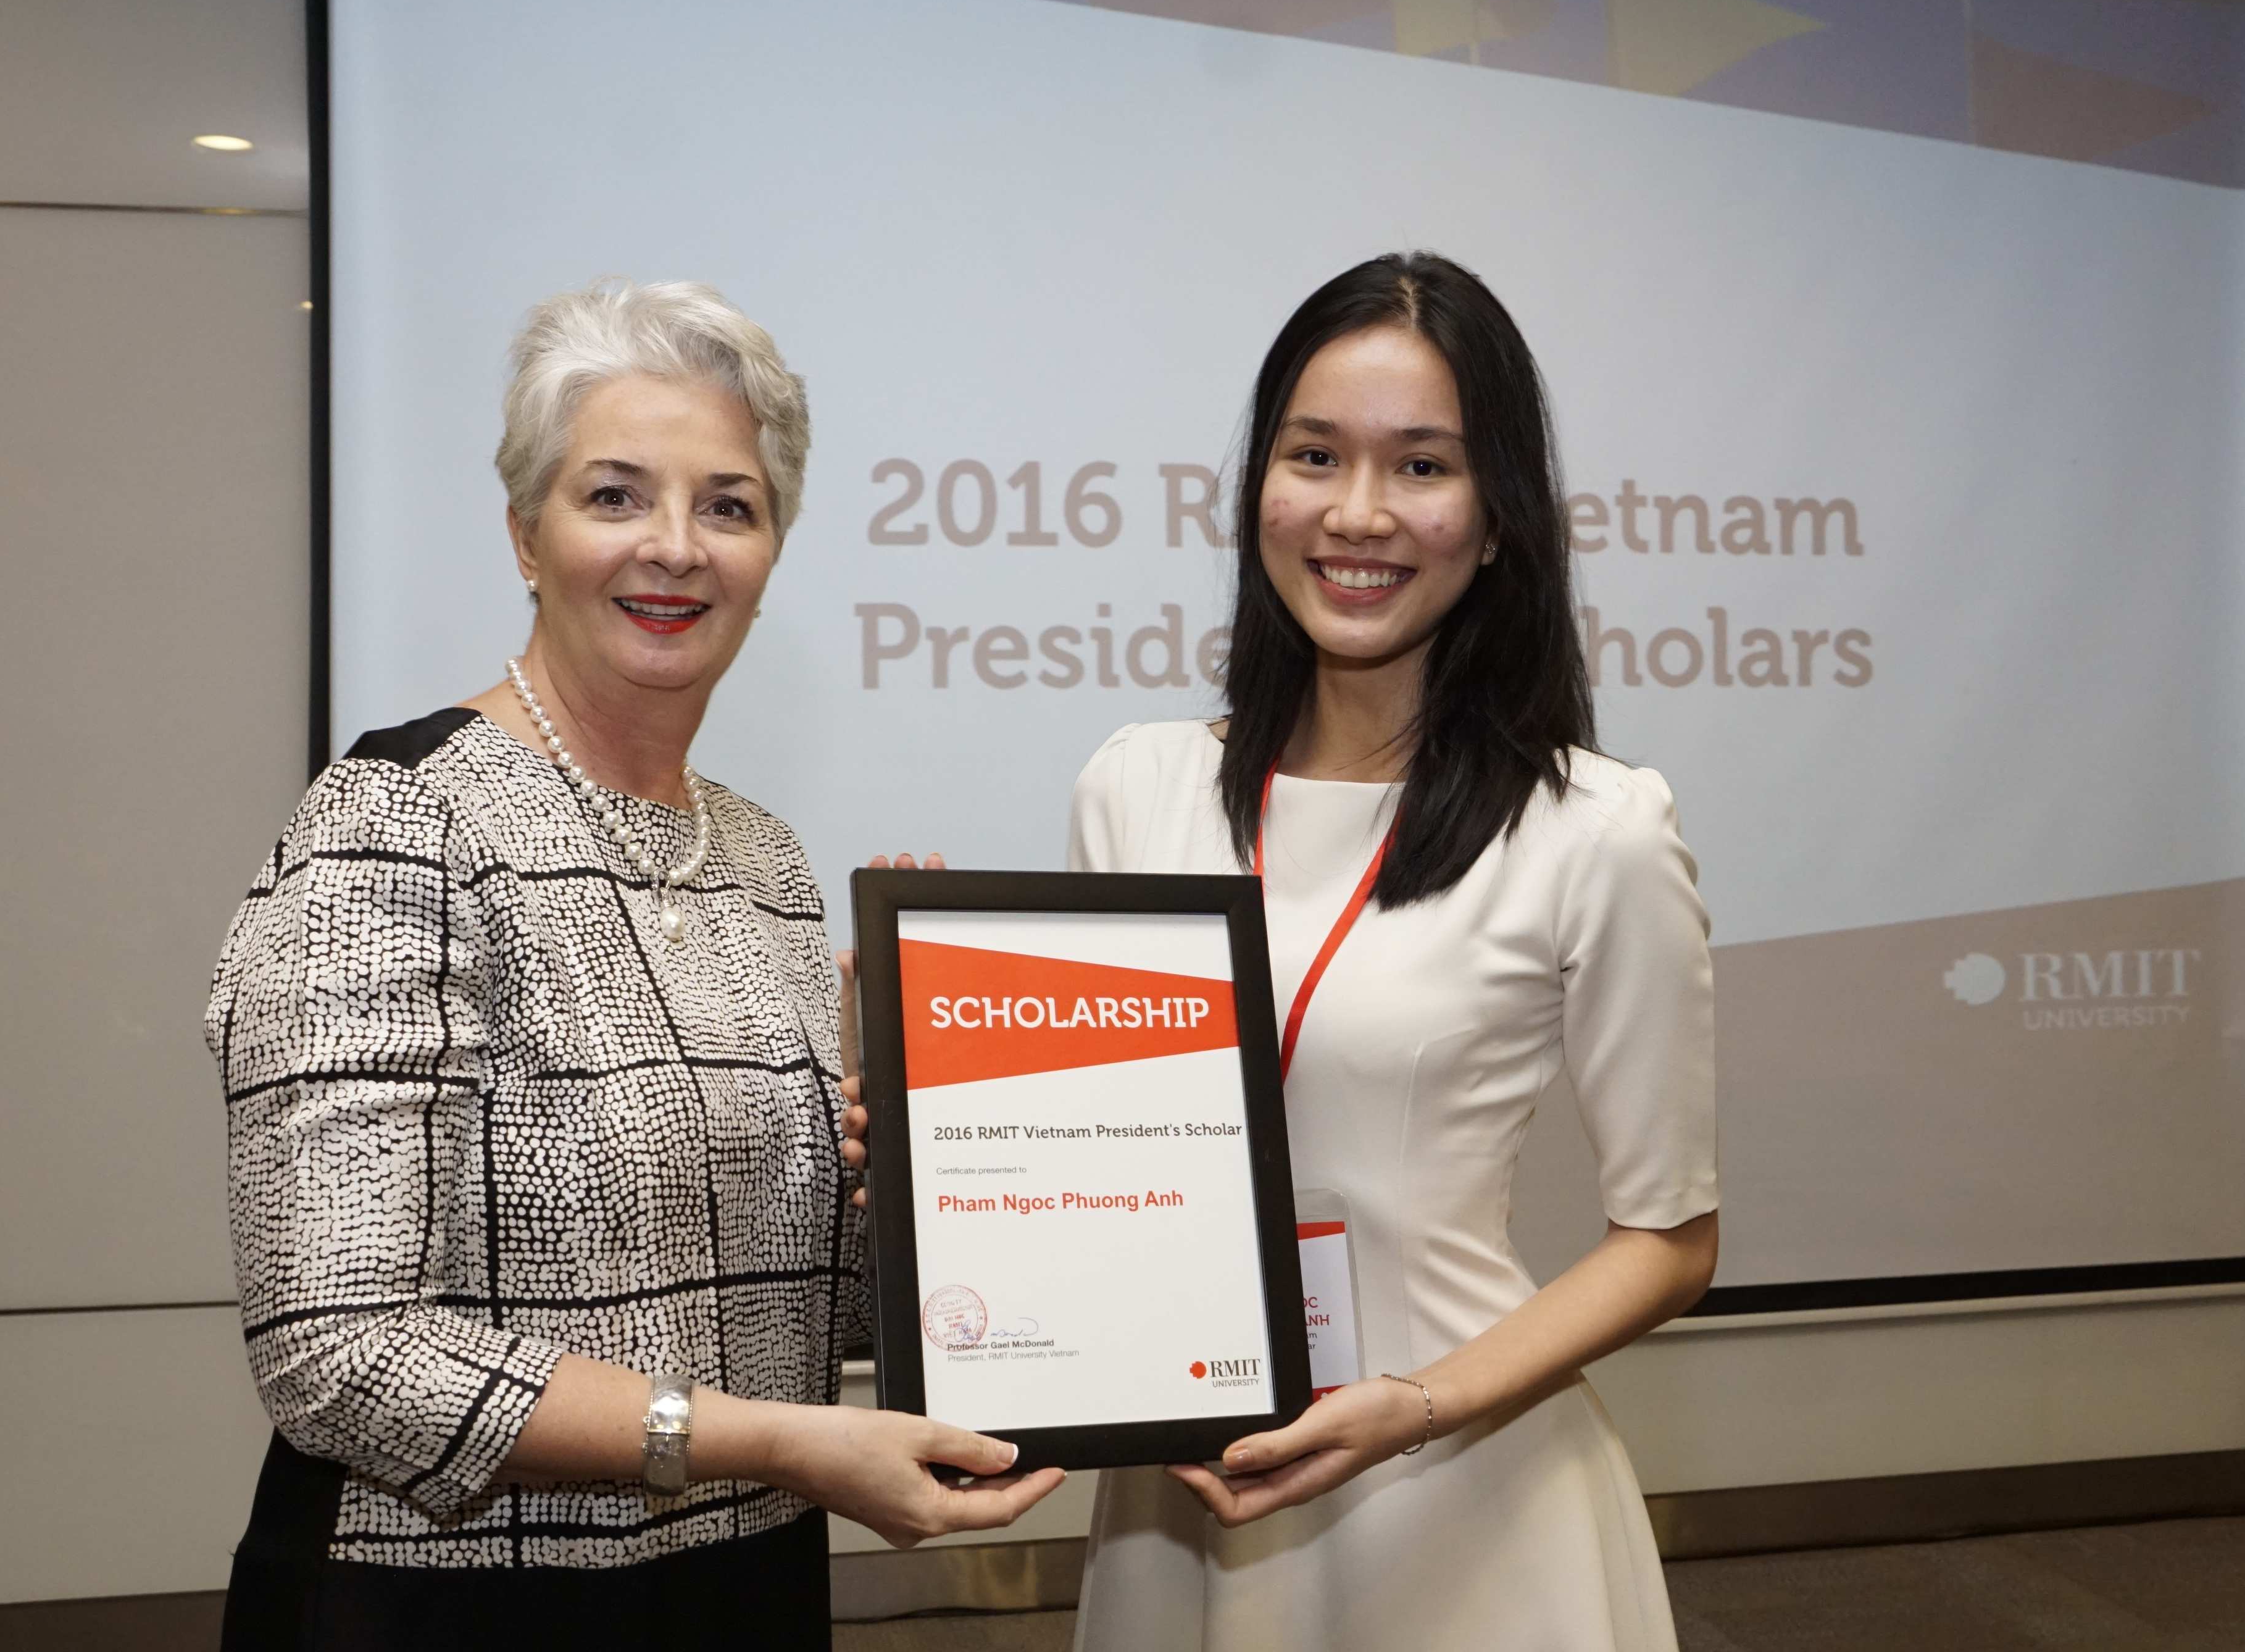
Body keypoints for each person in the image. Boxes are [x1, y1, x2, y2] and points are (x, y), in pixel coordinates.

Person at [206, 279, 1062, 1649]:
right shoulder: (394, 823)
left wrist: (910, 1161)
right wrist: (769, 1445)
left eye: (728, 505)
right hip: (453, 1601)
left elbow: (783, 1309)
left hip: (742, 1589)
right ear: (525, 536)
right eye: (615, 496)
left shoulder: (768, 864)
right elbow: (338, 1353)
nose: (675, 548)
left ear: (772, 547)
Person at [1065, 253, 1719, 1650]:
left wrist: (1422, 1407)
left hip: (1455, 1485)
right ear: (1259, 490)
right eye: (1314, 456)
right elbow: (1095, 1147)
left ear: (1495, 523)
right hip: (1187, 1484)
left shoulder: (1593, 830)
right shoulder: (1138, 788)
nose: (1356, 514)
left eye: (1421, 465)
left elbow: (1668, 1241)